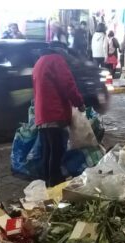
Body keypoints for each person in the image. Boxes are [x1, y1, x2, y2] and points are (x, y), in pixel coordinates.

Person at [32, 44, 85, 186]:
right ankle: (54, 182)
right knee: (57, 150)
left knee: (48, 150)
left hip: (42, 114)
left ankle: (47, 180)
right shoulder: (56, 60)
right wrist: (79, 103)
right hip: (55, 112)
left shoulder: (39, 62)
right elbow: (68, 84)